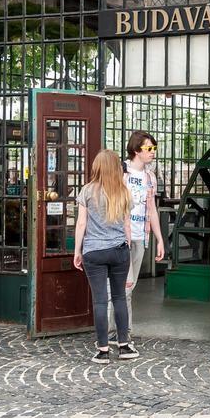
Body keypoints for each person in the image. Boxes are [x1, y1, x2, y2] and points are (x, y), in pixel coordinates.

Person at [74, 149, 138, 363]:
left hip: (94, 251)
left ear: (97, 167)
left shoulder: (87, 191)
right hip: (119, 250)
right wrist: (127, 246)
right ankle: (124, 346)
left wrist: (77, 251)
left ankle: (102, 350)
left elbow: (82, 223)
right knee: (119, 297)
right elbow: (127, 225)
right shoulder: (124, 192)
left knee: (100, 301)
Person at [109, 132, 166, 346]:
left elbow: (152, 210)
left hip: (140, 236)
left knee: (127, 288)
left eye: (154, 148)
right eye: (148, 148)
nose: (152, 153)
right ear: (136, 150)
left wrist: (159, 239)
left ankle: (118, 331)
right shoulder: (120, 172)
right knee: (124, 286)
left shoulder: (150, 177)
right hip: (120, 237)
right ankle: (122, 332)